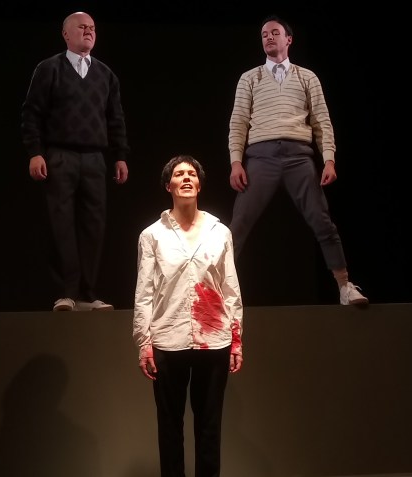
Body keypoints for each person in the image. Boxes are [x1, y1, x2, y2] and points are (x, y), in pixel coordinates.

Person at [228, 14, 368, 306]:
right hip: (261, 157)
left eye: (274, 32)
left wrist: (329, 159)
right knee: (238, 225)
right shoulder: (250, 78)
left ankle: (345, 286)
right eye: (264, 34)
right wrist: (236, 162)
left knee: (322, 220)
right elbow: (238, 122)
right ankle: (217, 292)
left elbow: (321, 121)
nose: (268, 37)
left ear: (288, 39)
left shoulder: (307, 77)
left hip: (298, 156)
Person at [133, 155, 243, 477]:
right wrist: (143, 342)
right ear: (168, 185)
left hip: (215, 339)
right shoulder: (152, 235)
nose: (186, 178)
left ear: (199, 184)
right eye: (179, 174)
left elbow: (231, 288)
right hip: (168, 339)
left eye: (191, 174)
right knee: (170, 427)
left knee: (210, 426)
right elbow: (144, 292)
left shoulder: (220, 232)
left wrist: (236, 339)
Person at [21, 11, 130, 312]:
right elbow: (31, 113)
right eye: (82, 27)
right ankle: (66, 292)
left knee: (94, 225)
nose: (89, 31)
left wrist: (120, 156)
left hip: (95, 158)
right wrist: (35, 151)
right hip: (59, 155)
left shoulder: (106, 74)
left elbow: (116, 119)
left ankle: (87, 293)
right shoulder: (49, 68)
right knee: (61, 224)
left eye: (92, 28)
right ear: (66, 34)